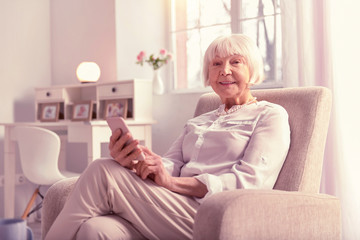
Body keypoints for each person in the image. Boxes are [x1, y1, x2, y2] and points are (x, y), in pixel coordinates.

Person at [45, 34, 290, 240]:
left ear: (252, 70)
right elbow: (170, 164)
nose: (224, 71)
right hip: (171, 205)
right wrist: (141, 163)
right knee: (96, 229)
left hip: (213, 214)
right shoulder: (199, 121)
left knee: (101, 170)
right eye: (216, 64)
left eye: (235, 62)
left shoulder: (270, 115)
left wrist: (171, 183)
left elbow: (250, 184)